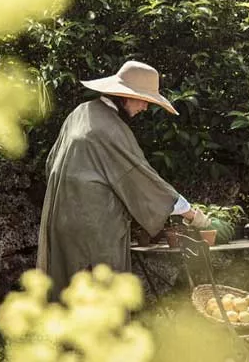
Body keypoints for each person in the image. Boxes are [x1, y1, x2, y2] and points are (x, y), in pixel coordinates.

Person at [36, 60, 209, 297]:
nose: (146, 108)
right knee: (99, 295)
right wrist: (190, 213)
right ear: (123, 96)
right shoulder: (111, 129)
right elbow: (142, 179)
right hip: (94, 229)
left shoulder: (80, 113)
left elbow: (51, 163)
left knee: (69, 293)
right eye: (144, 100)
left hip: (61, 220)